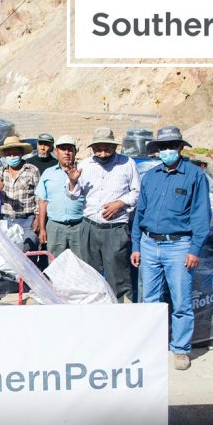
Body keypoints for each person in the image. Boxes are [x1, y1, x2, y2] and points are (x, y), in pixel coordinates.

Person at [131, 126, 211, 371]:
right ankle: (151, 346)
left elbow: (201, 215)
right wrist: (136, 245)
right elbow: (140, 213)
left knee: (181, 301)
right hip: (149, 244)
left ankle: (180, 349)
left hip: (178, 246)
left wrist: (195, 249)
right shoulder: (150, 176)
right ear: (158, 150)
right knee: (150, 300)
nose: (167, 150)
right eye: (163, 146)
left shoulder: (195, 176)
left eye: (172, 146)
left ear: (180, 147)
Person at [67, 127, 139, 302]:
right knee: (89, 274)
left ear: (114, 147)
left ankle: (121, 311)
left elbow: (137, 192)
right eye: (98, 149)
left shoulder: (127, 163)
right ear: (93, 148)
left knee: (118, 275)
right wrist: (73, 181)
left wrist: (120, 203)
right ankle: (93, 310)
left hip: (115, 229)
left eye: (107, 149)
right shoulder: (84, 165)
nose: (103, 153)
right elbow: (73, 195)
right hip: (90, 226)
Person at [36, 135, 85, 259]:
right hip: (55, 227)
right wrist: (42, 229)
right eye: (63, 149)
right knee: (56, 264)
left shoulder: (84, 172)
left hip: (79, 226)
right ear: (56, 151)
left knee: (80, 264)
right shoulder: (48, 173)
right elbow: (43, 202)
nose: (66, 153)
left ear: (75, 151)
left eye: (70, 149)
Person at [0, 136, 40, 250]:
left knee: (28, 252)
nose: (12, 156)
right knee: (9, 254)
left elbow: (39, 196)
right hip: (7, 220)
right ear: (5, 156)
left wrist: (38, 218)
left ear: (21, 154)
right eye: (9, 154)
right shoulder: (1, 172)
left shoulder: (32, 170)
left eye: (15, 153)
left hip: (27, 221)